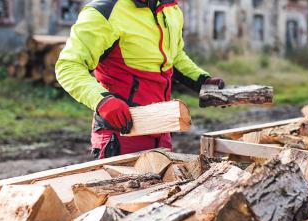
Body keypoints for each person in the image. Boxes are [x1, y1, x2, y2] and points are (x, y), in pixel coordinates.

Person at [56, 0, 224, 159]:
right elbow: (68, 66)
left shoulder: (170, 8)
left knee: (167, 189)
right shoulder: (103, 12)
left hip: (161, 128)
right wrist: (102, 101)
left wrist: (202, 80)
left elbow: (175, 55)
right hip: (121, 132)